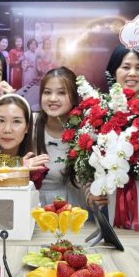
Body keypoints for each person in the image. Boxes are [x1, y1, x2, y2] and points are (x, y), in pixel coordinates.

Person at [32, 67, 85, 207]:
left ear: (74, 97)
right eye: (47, 92)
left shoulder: (84, 131)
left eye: (61, 93)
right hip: (32, 205)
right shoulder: (29, 124)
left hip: (70, 208)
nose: (52, 99)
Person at [0, 94, 49, 182]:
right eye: (1, 120)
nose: (7, 130)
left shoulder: (33, 164)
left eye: (16, 121)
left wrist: (19, 169)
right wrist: (17, 166)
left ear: (27, 127)